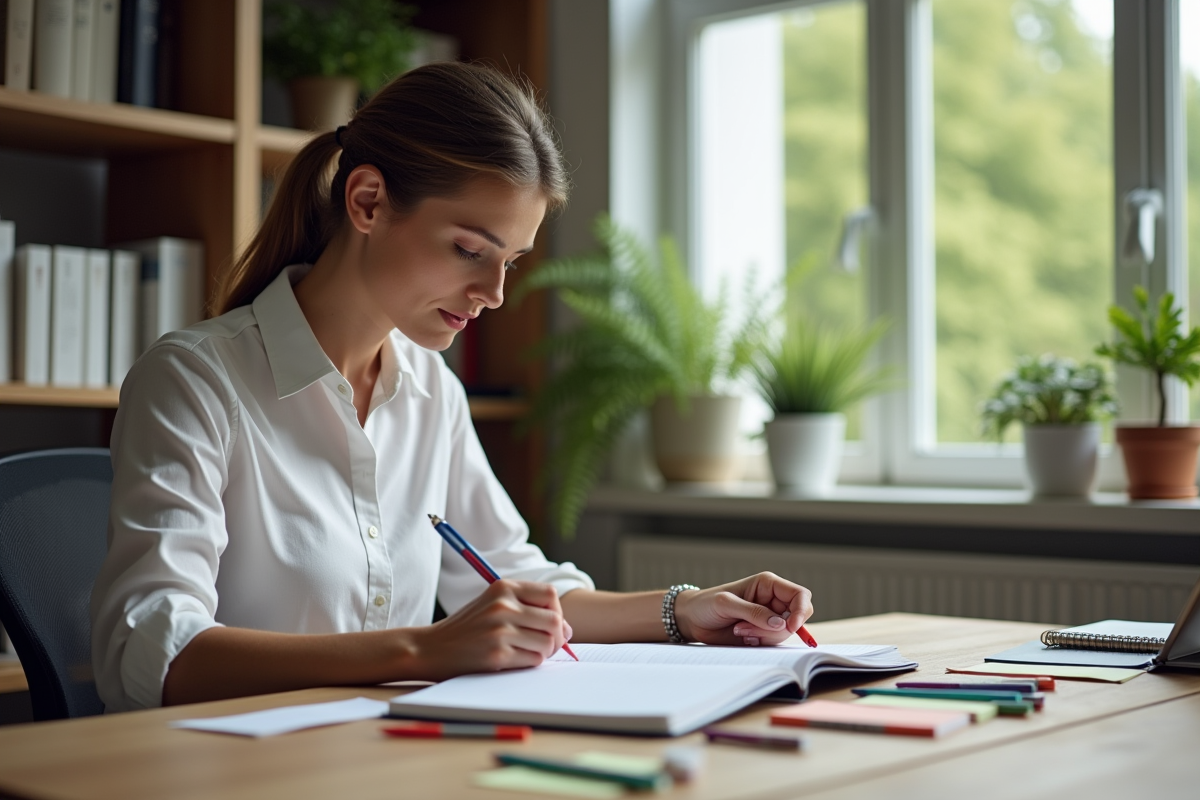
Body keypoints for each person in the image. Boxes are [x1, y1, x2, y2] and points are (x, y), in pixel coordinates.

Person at [90, 62, 814, 713]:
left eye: (512, 261)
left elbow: (518, 582)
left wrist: (687, 610)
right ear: (367, 201)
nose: (494, 293)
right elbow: (152, 654)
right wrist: (426, 650)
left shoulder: (429, 390)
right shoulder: (195, 380)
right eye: (470, 250)